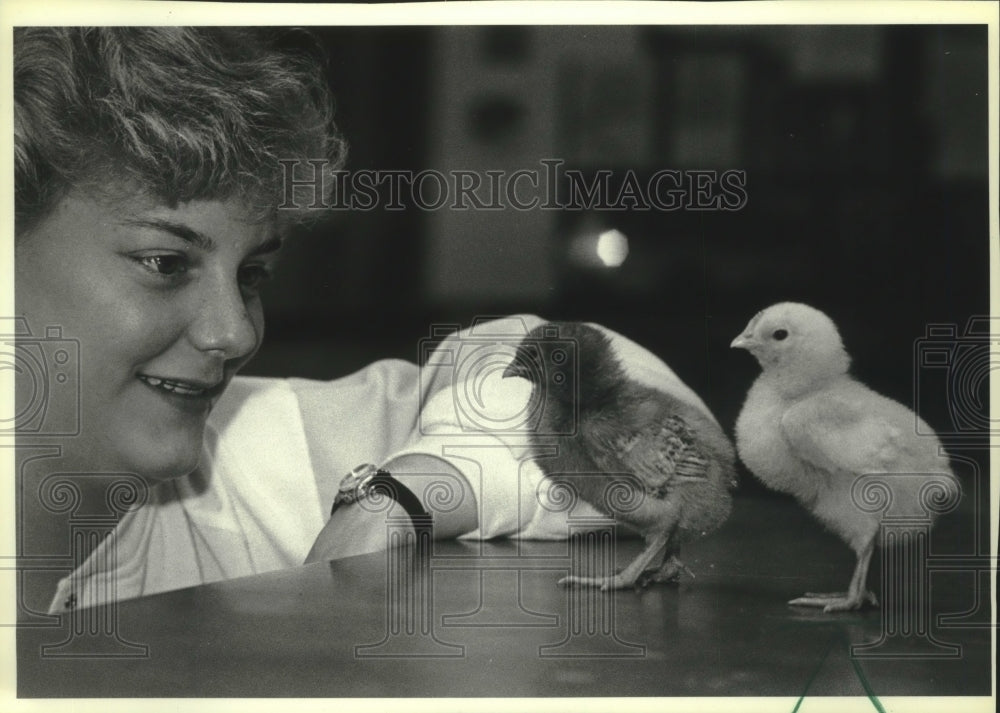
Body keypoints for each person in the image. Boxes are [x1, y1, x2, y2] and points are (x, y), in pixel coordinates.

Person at [13, 26, 720, 615]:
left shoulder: (263, 455)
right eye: (166, 262)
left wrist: (407, 494)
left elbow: (669, 419)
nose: (234, 334)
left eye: (253, 274)